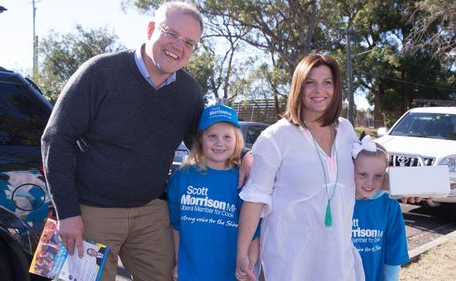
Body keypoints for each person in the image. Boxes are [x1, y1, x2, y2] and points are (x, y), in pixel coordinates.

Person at [41, 2, 205, 281]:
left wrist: (243, 158)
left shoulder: (189, 93)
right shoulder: (100, 72)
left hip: (151, 211)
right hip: (91, 211)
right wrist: (66, 213)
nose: (179, 47)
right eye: (172, 34)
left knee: (177, 276)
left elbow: (204, 146)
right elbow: (55, 140)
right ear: (151, 28)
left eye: (189, 43)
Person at [236, 54, 365, 281]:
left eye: (327, 82)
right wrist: (242, 252)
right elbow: (255, 197)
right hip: (289, 263)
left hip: (337, 261)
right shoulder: (276, 136)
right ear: (298, 86)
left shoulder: (346, 130)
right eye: (310, 82)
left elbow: (365, 179)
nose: (319, 90)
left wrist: (403, 187)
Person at [167, 104, 260, 281]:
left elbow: (254, 229)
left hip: (230, 272)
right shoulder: (182, 176)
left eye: (227, 137)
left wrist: (249, 264)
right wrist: (179, 262)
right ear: (201, 139)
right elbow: (176, 225)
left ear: (237, 141)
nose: (219, 143)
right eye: (212, 136)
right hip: (191, 272)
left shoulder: (243, 179)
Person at [351, 135, 409, 281]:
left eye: (378, 175)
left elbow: (394, 253)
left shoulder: (389, 205)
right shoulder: (339, 201)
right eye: (363, 174)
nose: (370, 182)